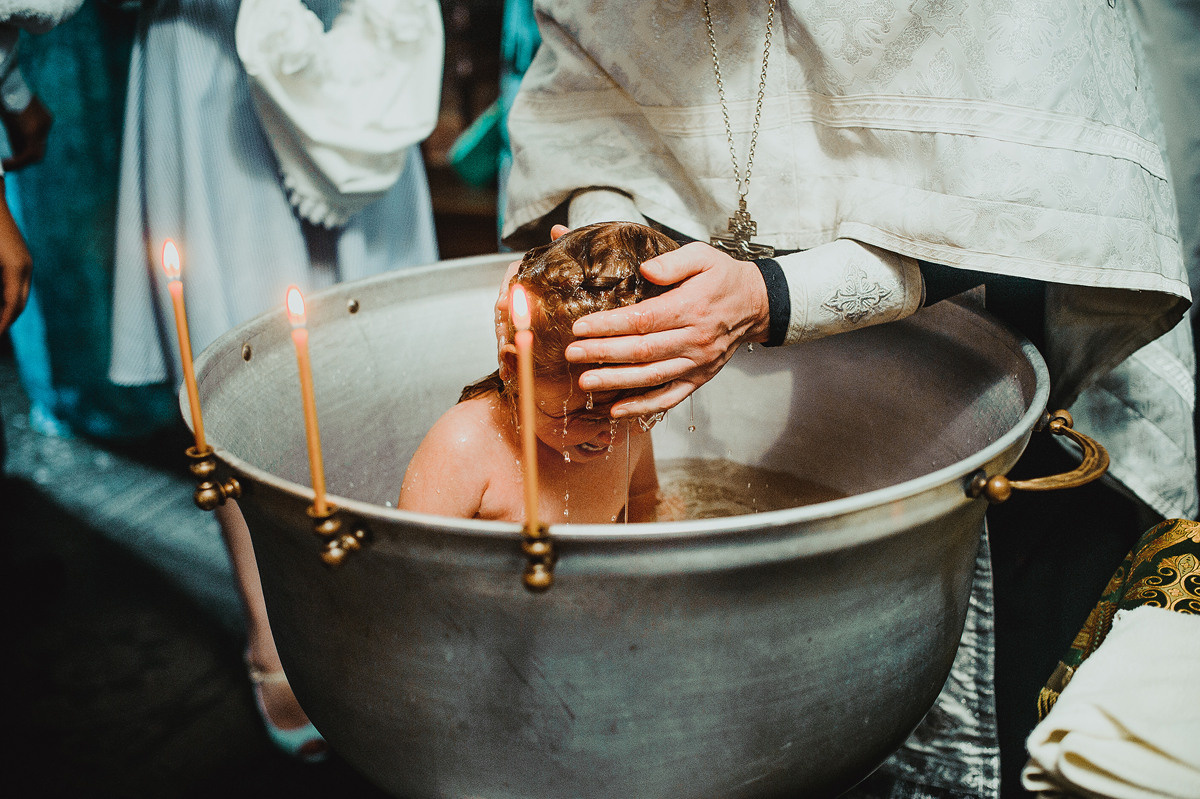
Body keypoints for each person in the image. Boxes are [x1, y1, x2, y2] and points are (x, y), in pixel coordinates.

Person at [500, 3, 1195, 797]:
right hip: (717, 342)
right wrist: (615, 244)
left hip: (983, 385)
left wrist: (771, 296)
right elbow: (588, 118)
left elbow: (1029, 204)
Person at [108, 0, 441, 762]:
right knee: (238, 352)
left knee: (378, 338)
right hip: (210, 53)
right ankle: (272, 631)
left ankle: (380, 599)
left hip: (365, 59)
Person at [401, 222, 673, 524]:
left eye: (634, 414)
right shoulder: (464, 446)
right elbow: (408, 560)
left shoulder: (625, 420)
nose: (613, 436)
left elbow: (642, 499)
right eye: (589, 414)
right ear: (515, 368)